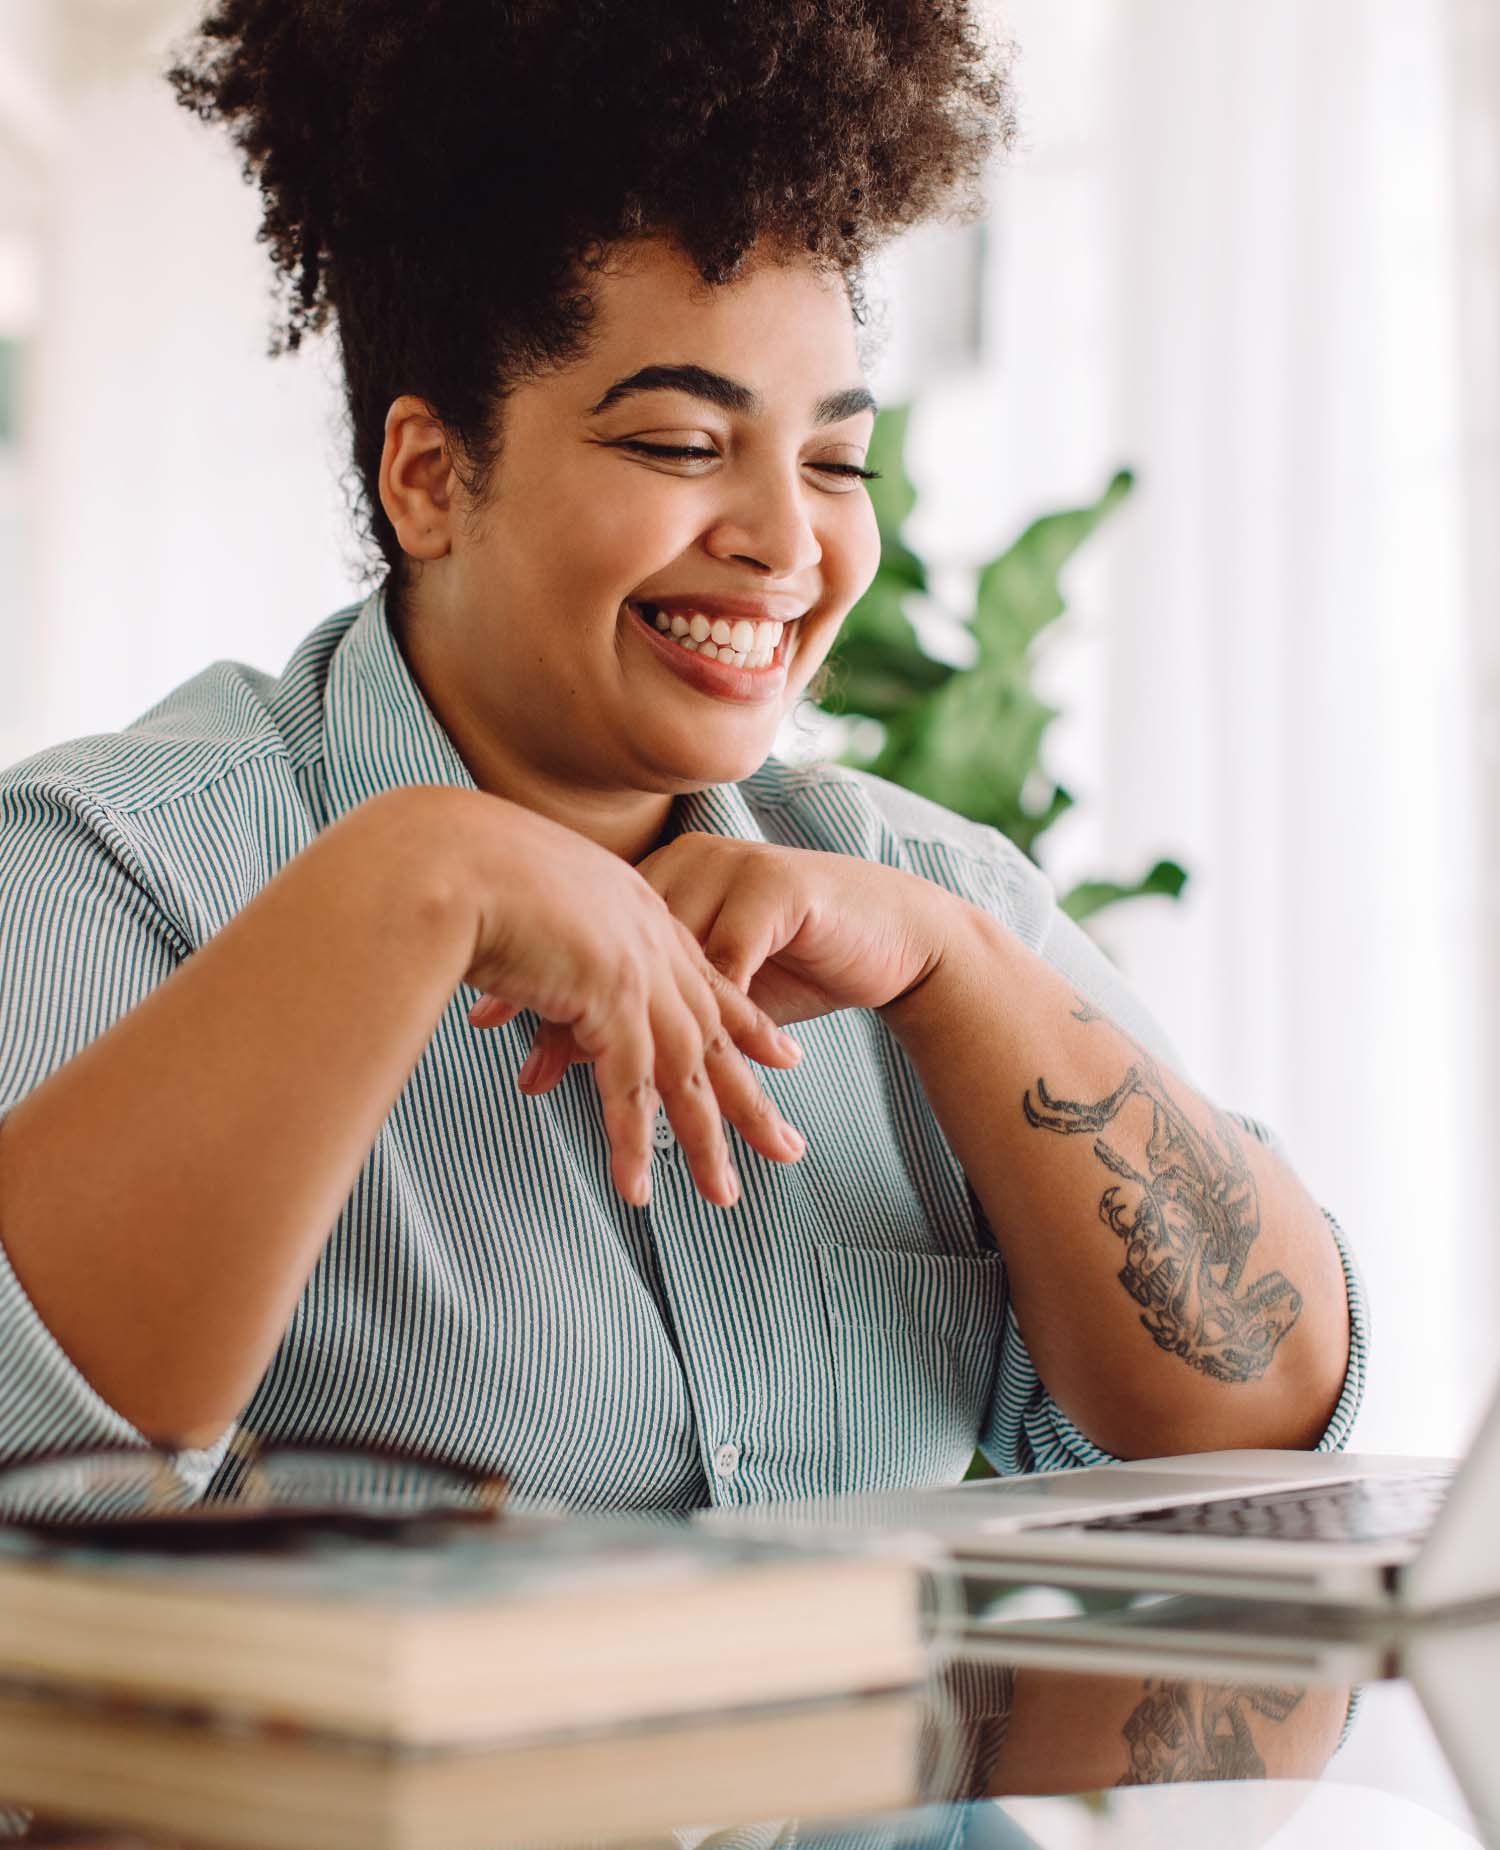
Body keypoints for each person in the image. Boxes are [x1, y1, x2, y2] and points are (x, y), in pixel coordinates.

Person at [0, 0, 1364, 1512]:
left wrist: (964, 981)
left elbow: (1263, 1421)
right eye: (679, 445)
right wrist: (410, 878)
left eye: (836, 461)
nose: (788, 542)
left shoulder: (918, 896)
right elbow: (37, 1472)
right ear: (433, 474)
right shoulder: (104, 869)